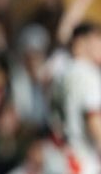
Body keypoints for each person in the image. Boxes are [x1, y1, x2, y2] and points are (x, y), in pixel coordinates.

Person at [47, 23, 101, 174]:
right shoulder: (87, 73)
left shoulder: (62, 70)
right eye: (97, 40)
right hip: (82, 160)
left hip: (62, 156)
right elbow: (94, 120)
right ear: (80, 42)